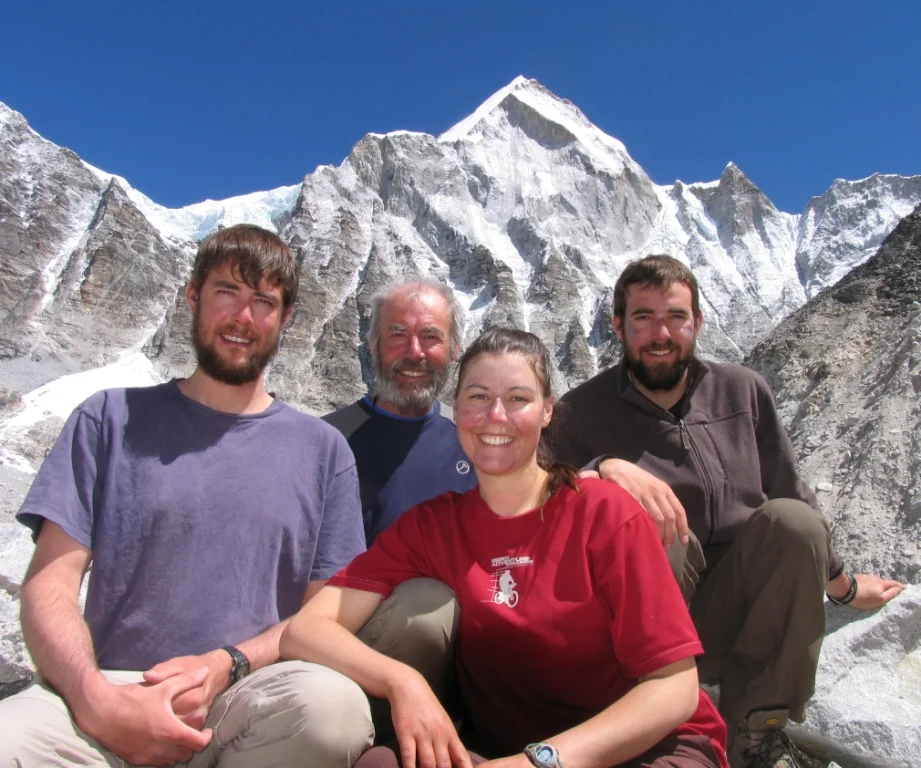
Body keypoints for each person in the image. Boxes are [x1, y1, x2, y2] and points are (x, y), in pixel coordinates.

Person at [0, 224, 375, 767]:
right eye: (227, 292)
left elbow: (326, 612)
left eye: (263, 301)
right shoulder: (108, 419)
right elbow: (50, 583)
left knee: (333, 712)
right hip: (112, 689)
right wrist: (93, 697)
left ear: (286, 318)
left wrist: (229, 663)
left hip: (246, 699)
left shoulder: (325, 452)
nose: (243, 318)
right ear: (193, 296)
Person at [280, 328, 728, 768]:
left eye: (518, 398)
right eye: (477, 396)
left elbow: (674, 689)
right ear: (454, 410)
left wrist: (541, 761)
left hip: (647, 749)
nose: (496, 415)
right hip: (507, 751)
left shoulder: (604, 512)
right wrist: (403, 681)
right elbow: (307, 629)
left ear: (548, 412)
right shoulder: (434, 525)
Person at [553, 254, 906, 767]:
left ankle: (756, 732)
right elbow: (540, 494)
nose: (660, 332)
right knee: (647, 518)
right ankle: (646, 718)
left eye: (675, 316)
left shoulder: (743, 390)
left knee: (791, 521)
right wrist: (602, 467)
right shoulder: (578, 412)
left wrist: (844, 586)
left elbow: (791, 493)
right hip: (636, 634)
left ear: (697, 322)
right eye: (643, 317)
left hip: (733, 618)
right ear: (618, 327)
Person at [322, 279, 476, 545]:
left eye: (430, 336)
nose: (415, 353)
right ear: (373, 345)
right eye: (398, 334)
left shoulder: (474, 443)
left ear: (454, 350)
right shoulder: (325, 442)